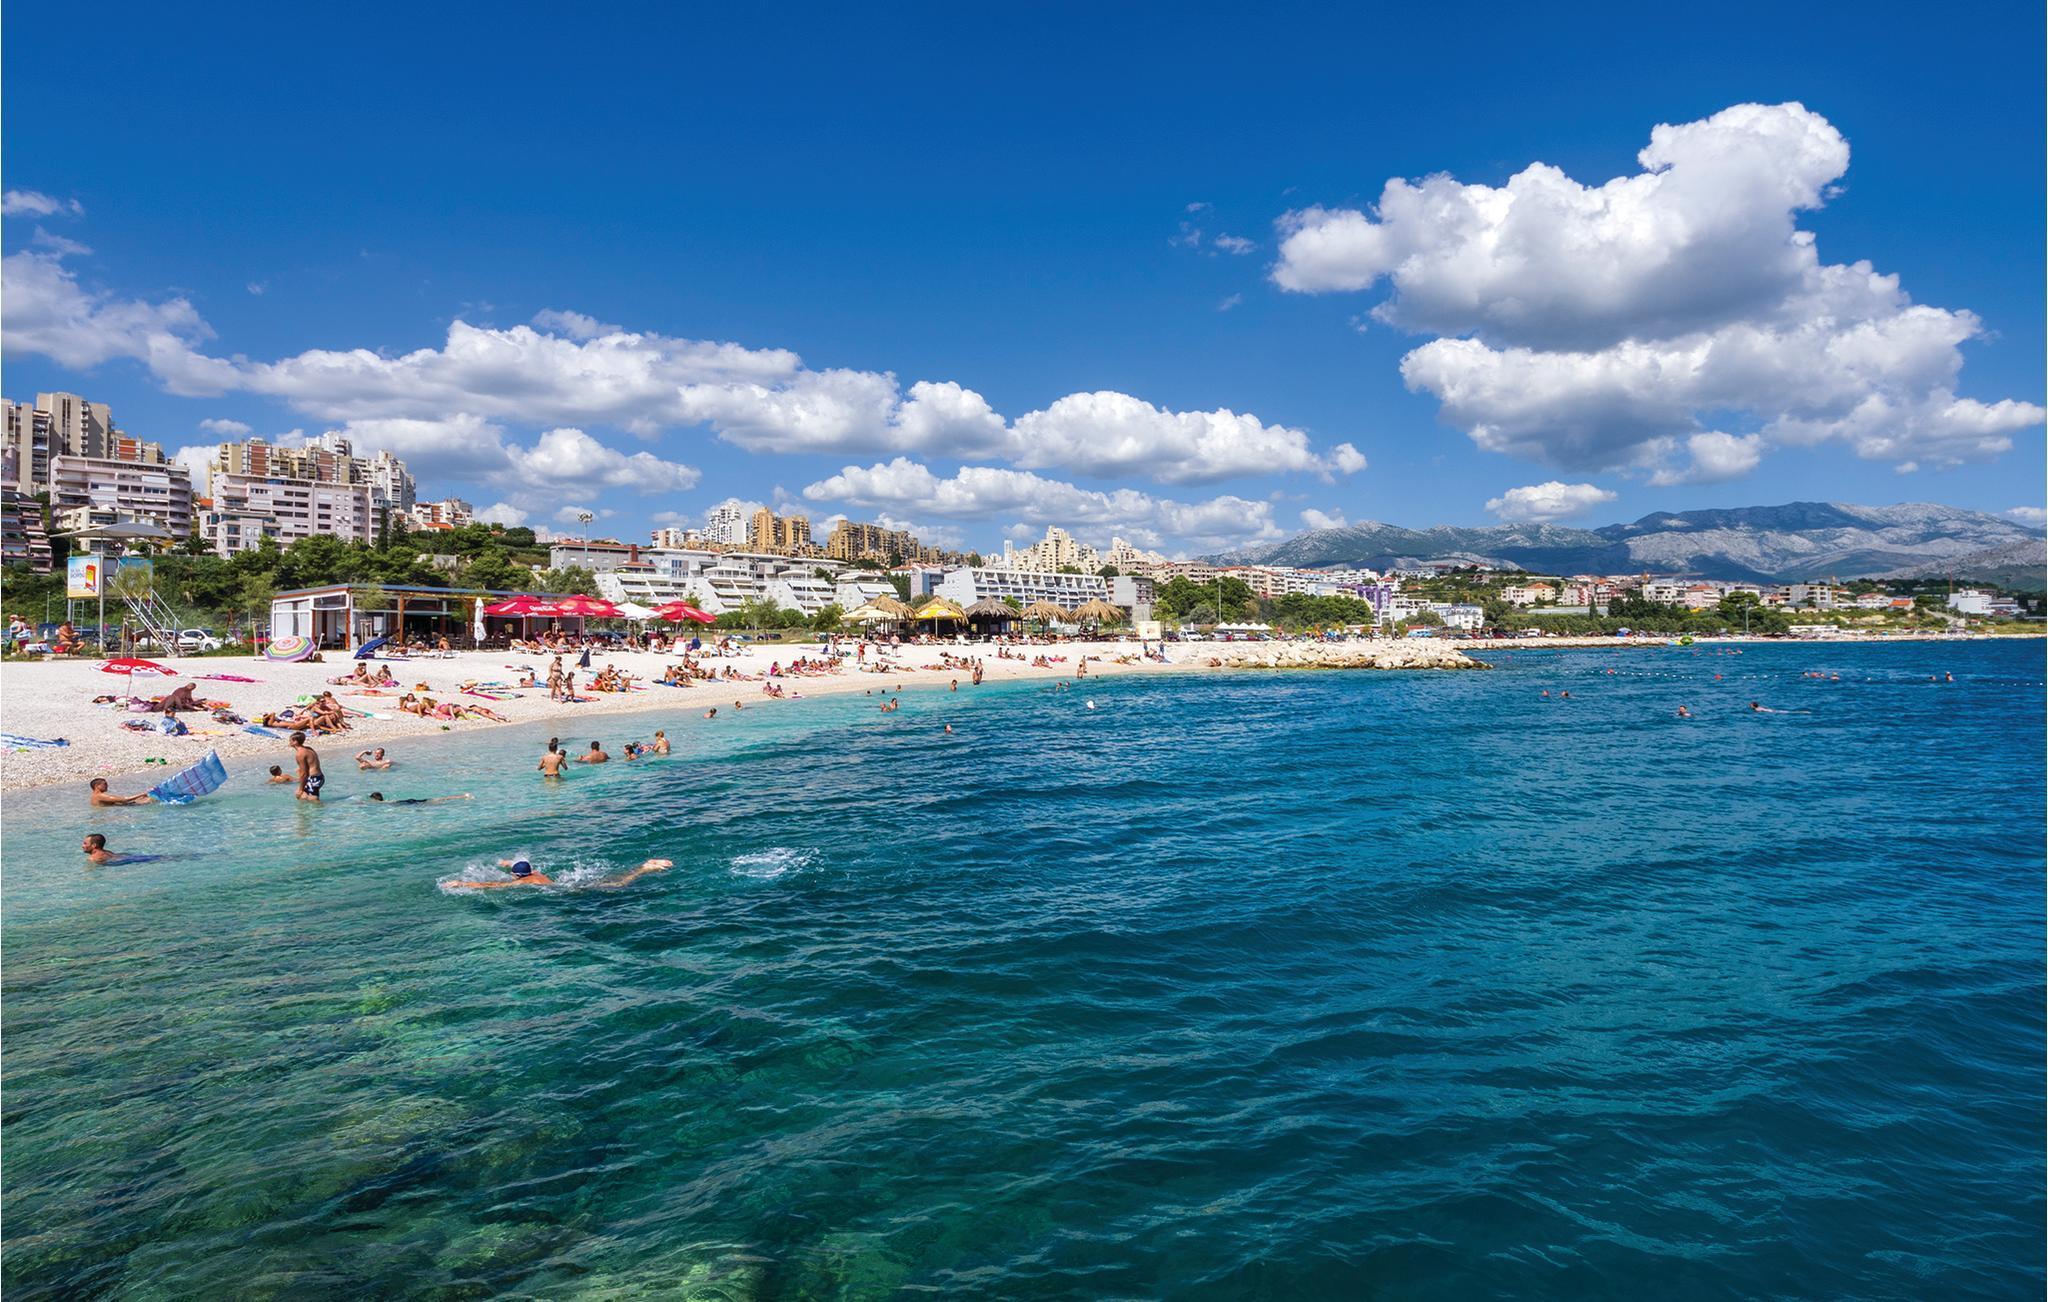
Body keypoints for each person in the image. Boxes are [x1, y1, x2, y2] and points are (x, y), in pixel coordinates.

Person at [290, 730, 324, 801]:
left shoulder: (300, 754)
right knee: (302, 797)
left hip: (313, 779)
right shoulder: (309, 749)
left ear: (295, 741)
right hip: (319, 777)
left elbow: (304, 774)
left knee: (314, 800)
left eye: (290, 740)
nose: (289, 742)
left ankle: (324, 807)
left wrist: (300, 789)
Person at [364, 792, 471, 804]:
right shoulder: (386, 801)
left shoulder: (383, 803)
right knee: (437, 799)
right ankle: (462, 796)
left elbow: (367, 804)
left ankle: (462, 797)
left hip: (408, 803)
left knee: (433, 803)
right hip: (408, 801)